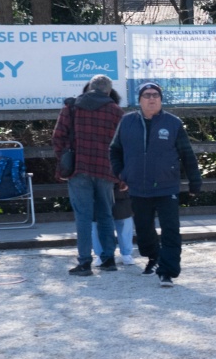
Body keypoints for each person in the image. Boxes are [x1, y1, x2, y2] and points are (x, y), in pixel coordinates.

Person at [109, 82, 202, 288]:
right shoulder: (127, 122)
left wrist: (195, 181)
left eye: (155, 95)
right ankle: (153, 257)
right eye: (147, 95)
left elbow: (187, 154)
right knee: (144, 230)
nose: (152, 98)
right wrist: (121, 173)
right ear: (139, 100)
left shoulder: (173, 123)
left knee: (171, 229)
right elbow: (115, 150)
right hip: (138, 187)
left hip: (167, 186)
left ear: (160, 99)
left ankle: (167, 271)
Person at [52, 74, 124, 276]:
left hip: (79, 169)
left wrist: (65, 158)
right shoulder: (116, 111)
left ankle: (84, 262)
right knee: (105, 215)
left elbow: (58, 137)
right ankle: (108, 259)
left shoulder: (71, 107)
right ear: (109, 91)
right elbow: (124, 145)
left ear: (89, 88)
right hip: (106, 170)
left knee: (83, 217)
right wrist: (121, 173)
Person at [92, 182, 135, 265]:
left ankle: (126, 254)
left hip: (120, 190)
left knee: (124, 222)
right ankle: (101, 254)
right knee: (97, 224)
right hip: (99, 189)